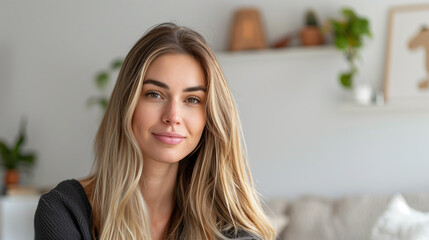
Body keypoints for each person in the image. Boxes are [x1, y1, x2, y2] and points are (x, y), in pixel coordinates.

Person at [34, 23, 275, 240]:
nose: (173, 116)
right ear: (127, 104)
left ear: (210, 117)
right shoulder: (63, 211)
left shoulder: (230, 229)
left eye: (192, 99)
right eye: (154, 94)